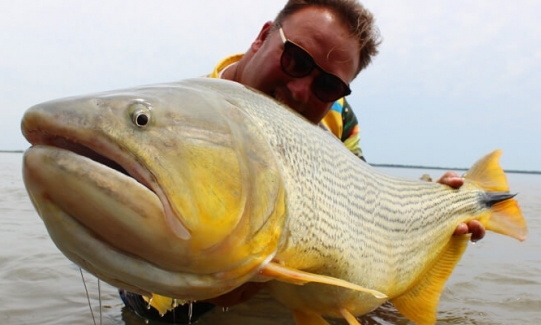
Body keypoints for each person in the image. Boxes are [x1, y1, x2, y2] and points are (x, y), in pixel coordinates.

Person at [120, 0, 485, 322]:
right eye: (295, 59)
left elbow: (366, 201)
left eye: (326, 86)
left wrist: (434, 206)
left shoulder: (338, 118)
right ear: (263, 37)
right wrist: (202, 290)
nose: (299, 91)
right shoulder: (179, 117)